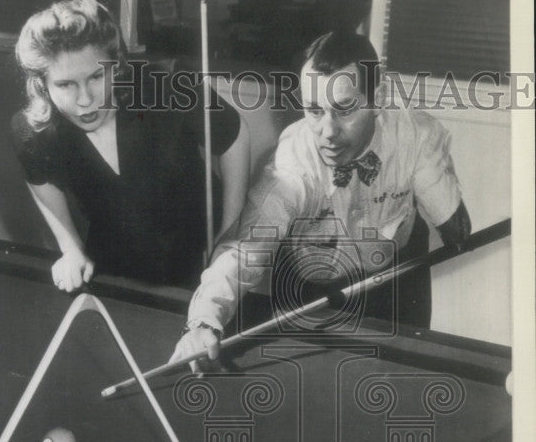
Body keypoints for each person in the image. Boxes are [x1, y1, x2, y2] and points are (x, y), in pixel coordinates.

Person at [170, 29, 471, 366]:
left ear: (378, 98)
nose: (327, 132)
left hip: (395, 271)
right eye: (314, 111)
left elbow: (457, 229)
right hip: (313, 276)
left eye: (344, 110)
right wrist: (203, 320)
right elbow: (244, 250)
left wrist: (450, 219)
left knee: (401, 377)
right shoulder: (292, 163)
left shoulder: (415, 137)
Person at [12, 0, 250, 290]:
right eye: (65, 84)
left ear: (115, 66)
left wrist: (228, 235)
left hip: (198, 248)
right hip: (117, 254)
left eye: (97, 76)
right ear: (42, 85)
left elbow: (234, 136)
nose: (85, 100)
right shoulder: (35, 130)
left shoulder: (166, 85)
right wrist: (70, 247)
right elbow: (39, 177)